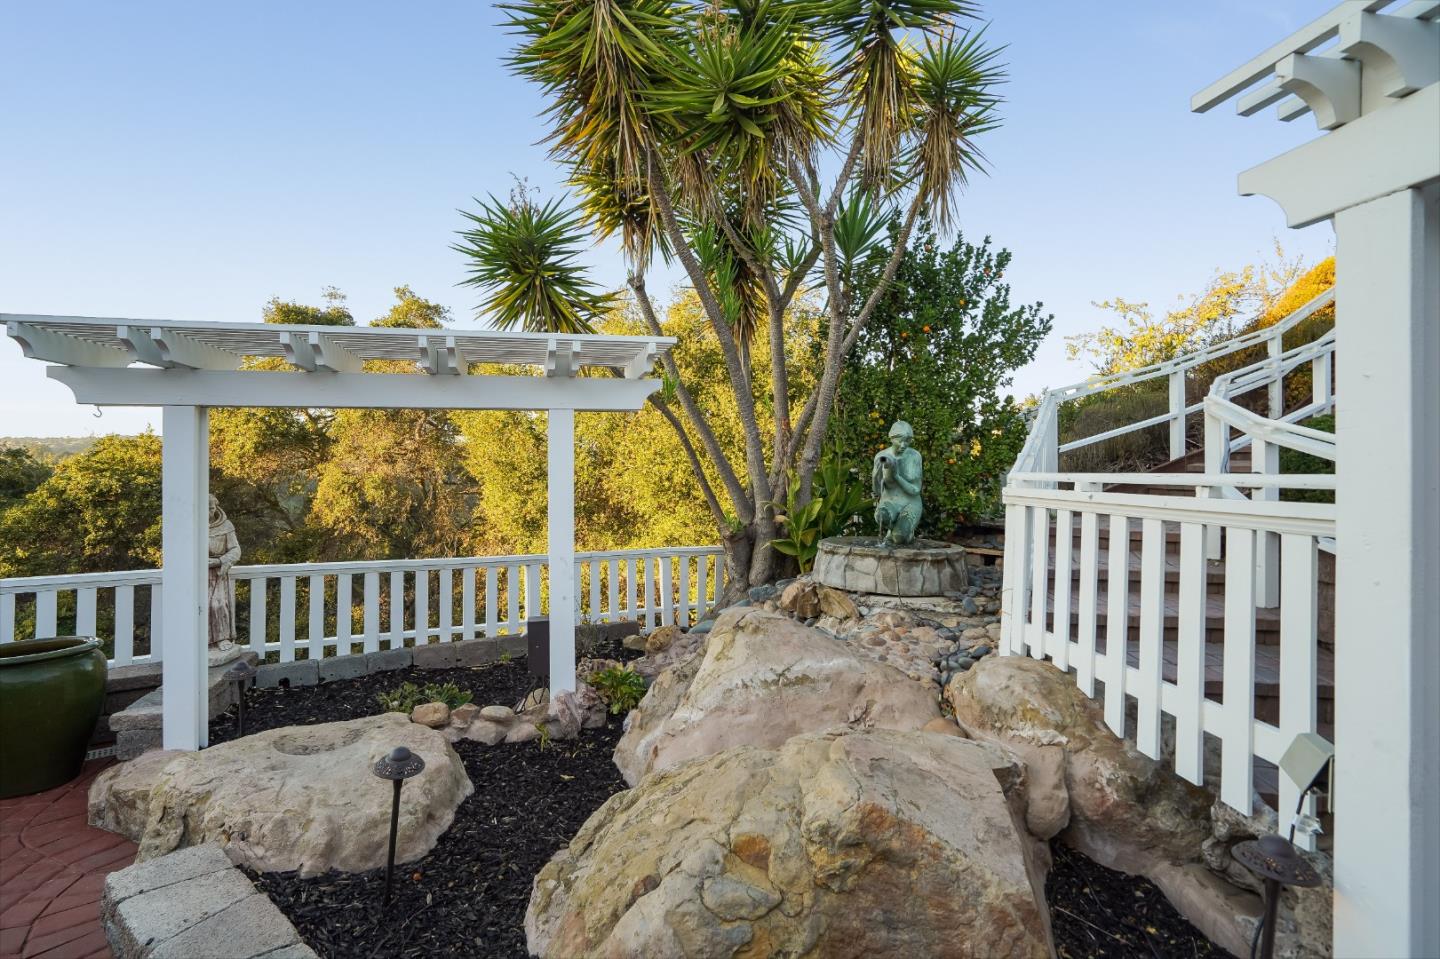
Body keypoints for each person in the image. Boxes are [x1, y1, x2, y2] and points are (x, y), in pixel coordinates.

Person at [871, 421, 923, 546]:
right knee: (881, 517)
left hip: (910, 503)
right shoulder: (882, 456)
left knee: (899, 538)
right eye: (900, 440)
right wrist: (876, 473)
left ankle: (902, 533)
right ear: (892, 438)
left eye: (908, 441)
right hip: (890, 502)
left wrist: (896, 476)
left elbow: (915, 490)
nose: (904, 445)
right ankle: (894, 531)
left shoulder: (914, 456)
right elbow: (877, 490)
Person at [207, 495, 241, 647]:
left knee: (218, 604)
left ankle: (222, 638)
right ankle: (203, 640)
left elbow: (235, 550)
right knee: (198, 605)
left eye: (211, 508)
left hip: (218, 573)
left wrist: (219, 561)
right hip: (196, 575)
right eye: (205, 509)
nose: (208, 512)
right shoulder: (192, 524)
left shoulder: (226, 525)